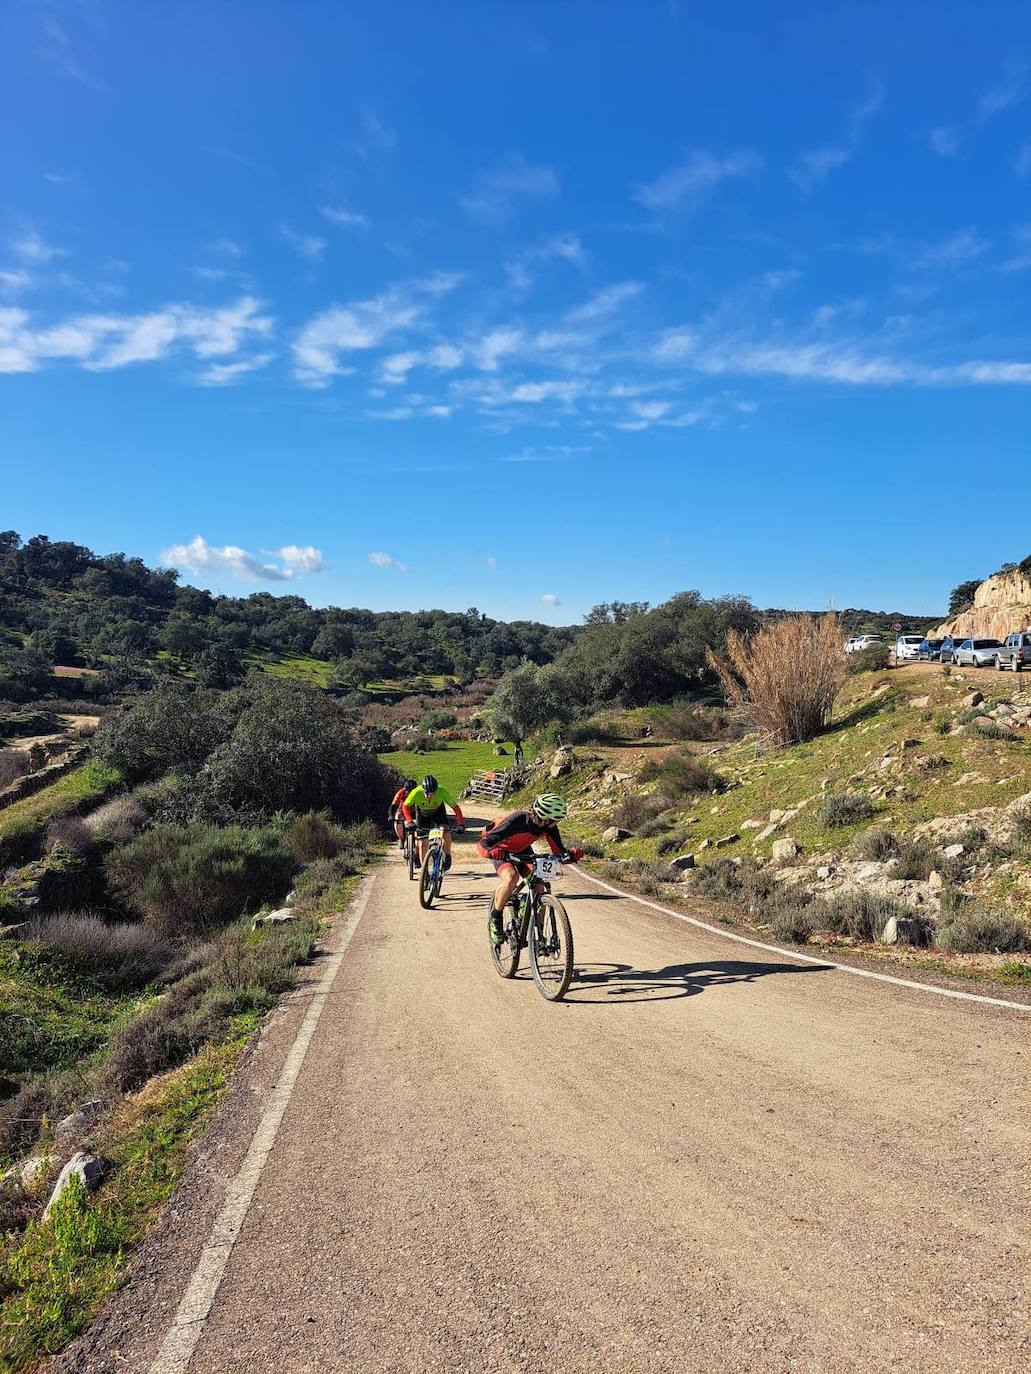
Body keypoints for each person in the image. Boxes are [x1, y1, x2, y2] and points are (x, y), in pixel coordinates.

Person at [478, 793, 583, 945]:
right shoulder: (516, 821)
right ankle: (496, 917)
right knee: (511, 877)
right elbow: (483, 844)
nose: (558, 822)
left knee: (539, 883)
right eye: (557, 819)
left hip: (522, 850)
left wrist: (572, 856)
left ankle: (538, 937)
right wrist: (492, 852)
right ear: (546, 818)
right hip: (501, 849)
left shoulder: (549, 827)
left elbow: (559, 852)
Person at [401, 775, 465, 870]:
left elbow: (455, 808)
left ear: (436, 790)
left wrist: (460, 824)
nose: (429, 796)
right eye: (427, 793)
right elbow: (405, 806)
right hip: (422, 815)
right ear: (422, 790)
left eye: (432, 793)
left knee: (446, 831)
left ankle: (447, 855)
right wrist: (410, 821)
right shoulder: (416, 792)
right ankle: (424, 870)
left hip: (438, 813)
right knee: (422, 843)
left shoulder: (442, 791)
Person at [388, 778, 416, 850]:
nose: (409, 793)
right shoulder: (400, 793)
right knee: (398, 817)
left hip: (415, 811)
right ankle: (401, 839)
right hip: (402, 810)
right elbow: (393, 806)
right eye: (407, 791)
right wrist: (391, 816)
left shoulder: (419, 793)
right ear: (404, 789)